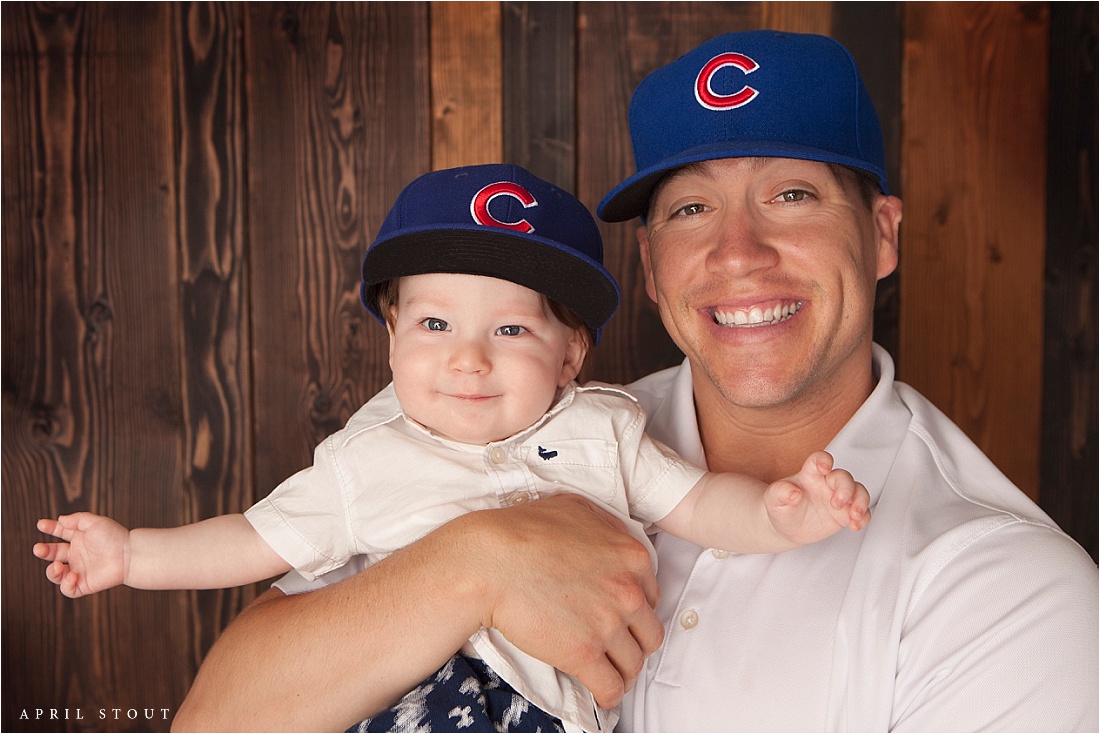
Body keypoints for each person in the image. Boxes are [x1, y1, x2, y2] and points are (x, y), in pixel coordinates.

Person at [172, 30, 1099, 733]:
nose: (739, 253)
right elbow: (212, 720)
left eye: (792, 195)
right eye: (694, 206)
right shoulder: (489, 406)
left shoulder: (1007, 590)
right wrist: (473, 565)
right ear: (652, 268)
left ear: (883, 234)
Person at [36, 163, 871, 733]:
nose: (468, 359)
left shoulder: (603, 431)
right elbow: (253, 541)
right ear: (392, 334)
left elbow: (698, 503)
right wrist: (132, 555)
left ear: (570, 356)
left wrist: (779, 512)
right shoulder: (367, 463)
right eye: (435, 325)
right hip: (408, 699)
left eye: (510, 329)